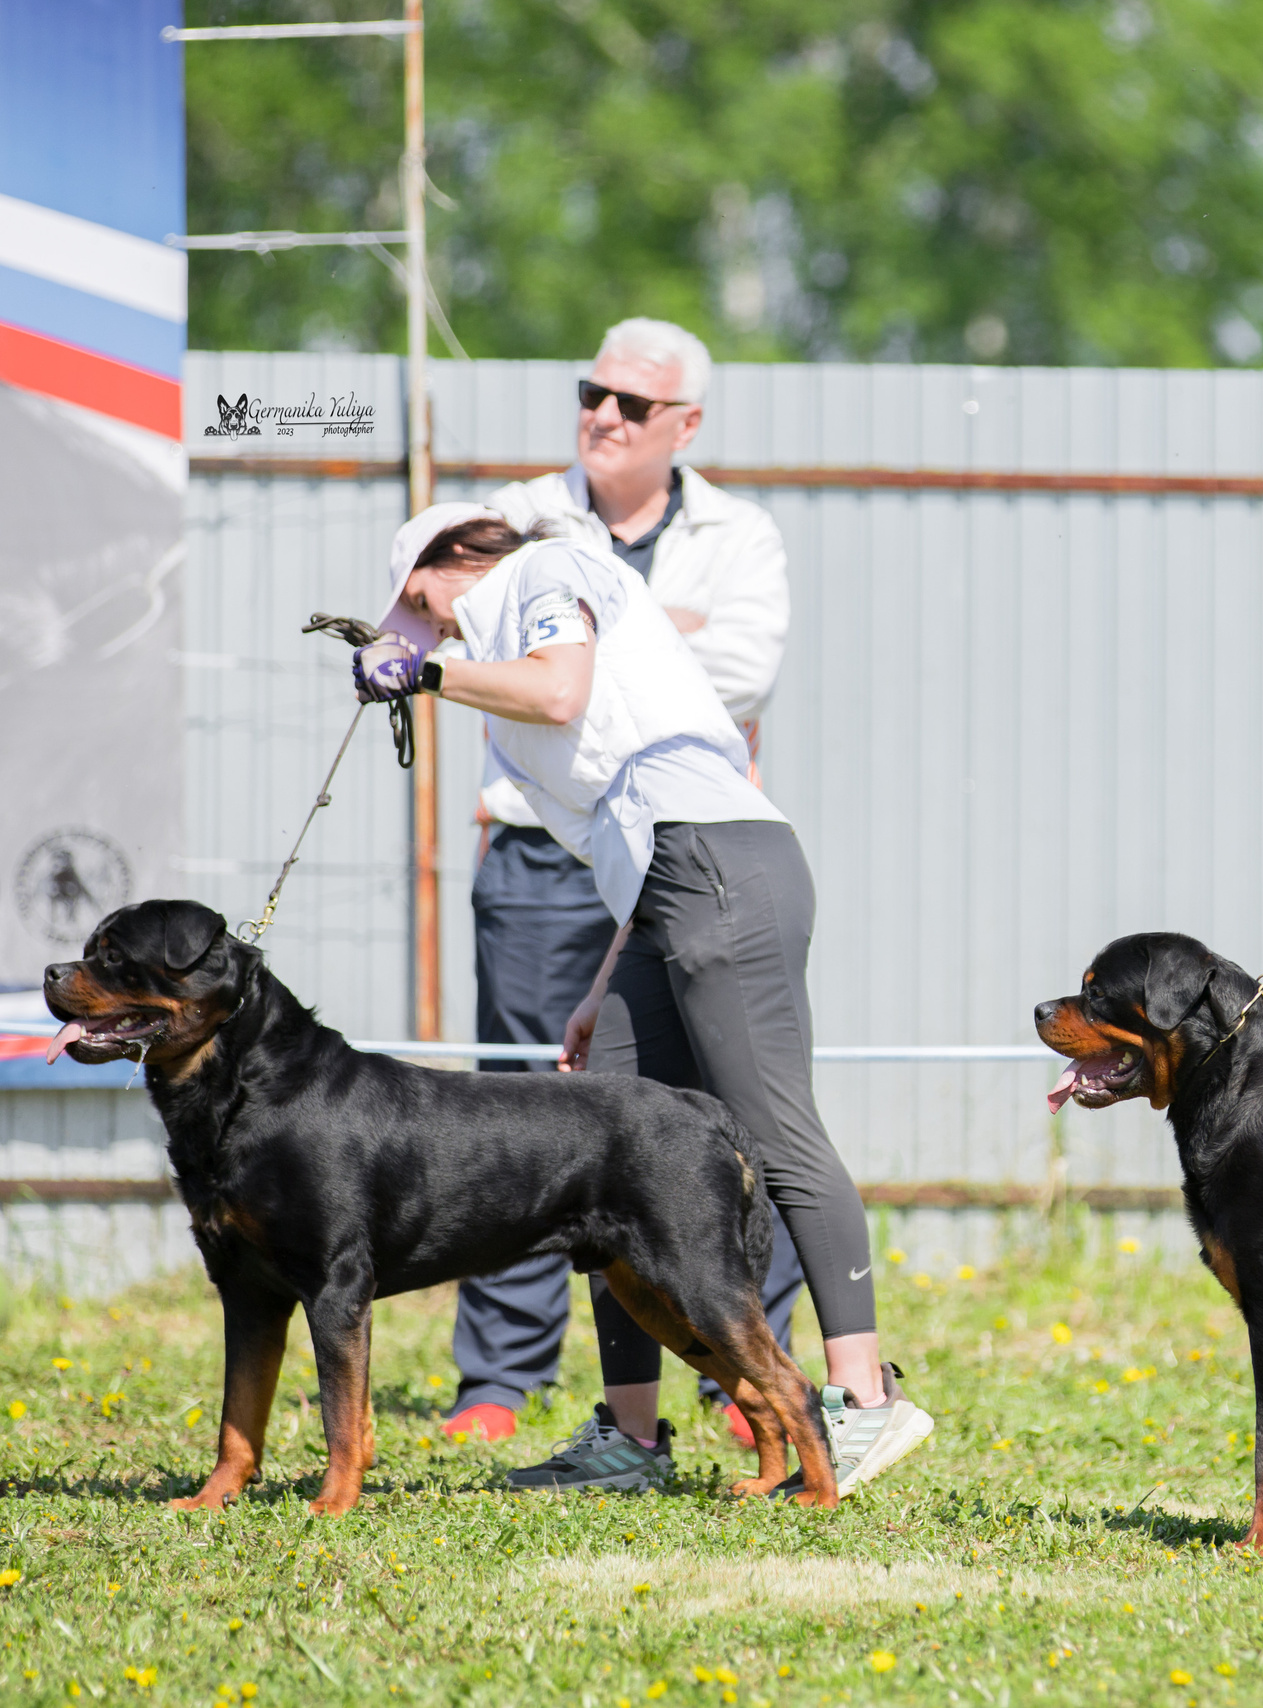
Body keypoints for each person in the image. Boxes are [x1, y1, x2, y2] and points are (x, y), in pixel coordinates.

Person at [355, 502, 933, 1498]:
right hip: (667, 880)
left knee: (776, 1130)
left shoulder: (536, 574)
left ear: (457, 560)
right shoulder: (509, 616)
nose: (429, 621)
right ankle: (631, 1437)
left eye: (422, 598)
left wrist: (428, 669)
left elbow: (559, 691)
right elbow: (630, 818)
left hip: (718, 859)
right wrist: (600, 985)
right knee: (602, 1150)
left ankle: (864, 1399)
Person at [444, 317, 805, 1447]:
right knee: (518, 1113)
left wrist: (585, 653)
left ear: (685, 424)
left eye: (632, 404)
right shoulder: (515, 511)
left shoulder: (740, 534)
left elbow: (748, 668)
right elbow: (469, 632)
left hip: (682, 857)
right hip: (541, 856)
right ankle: (499, 1383)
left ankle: (747, 1377)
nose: (603, 414)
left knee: (731, 1122)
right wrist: (645, 636)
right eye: (590, 390)